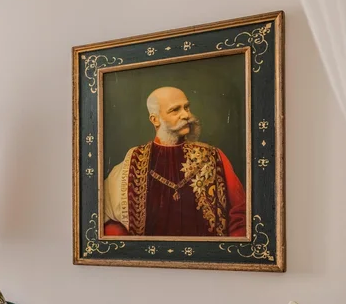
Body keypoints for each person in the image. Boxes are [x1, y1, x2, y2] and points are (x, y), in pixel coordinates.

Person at [102, 86, 246, 237]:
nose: (186, 115)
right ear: (155, 120)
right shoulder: (132, 162)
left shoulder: (214, 156)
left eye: (187, 107)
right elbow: (107, 221)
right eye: (175, 110)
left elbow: (241, 214)